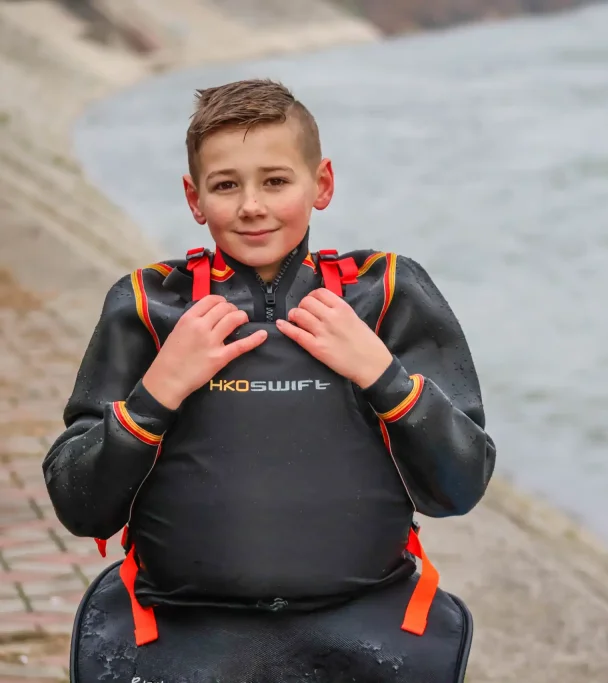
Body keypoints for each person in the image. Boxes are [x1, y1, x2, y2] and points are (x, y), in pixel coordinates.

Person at [44, 79, 494, 680]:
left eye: (276, 181)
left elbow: (460, 486)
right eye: (226, 185)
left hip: (365, 631)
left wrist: (382, 376)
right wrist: (158, 392)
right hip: (179, 632)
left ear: (322, 183)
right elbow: (80, 506)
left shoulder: (388, 294)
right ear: (194, 198)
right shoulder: (148, 305)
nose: (251, 206)